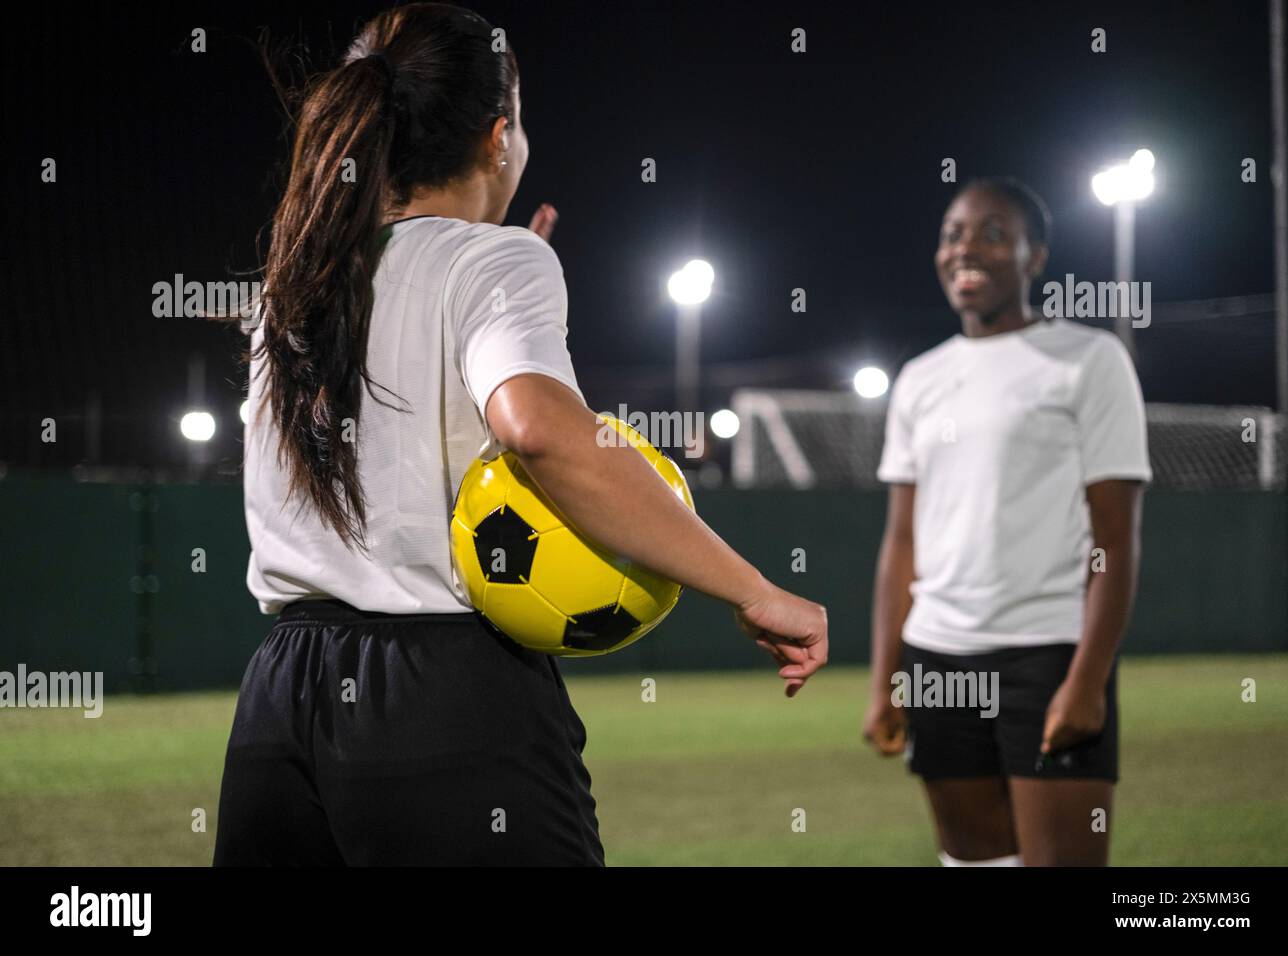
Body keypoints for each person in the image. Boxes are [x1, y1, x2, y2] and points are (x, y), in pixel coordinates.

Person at [213, 2, 827, 867]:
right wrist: (753, 587)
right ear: (498, 137)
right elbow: (538, 430)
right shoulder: (495, 262)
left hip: (282, 700)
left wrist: (482, 276)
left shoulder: (295, 281)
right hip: (443, 696)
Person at [863, 177, 1149, 866]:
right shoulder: (919, 378)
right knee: (973, 862)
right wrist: (886, 680)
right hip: (937, 657)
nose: (967, 248)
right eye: (953, 234)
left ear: (1035, 256)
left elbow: (1114, 539)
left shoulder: (1089, 359)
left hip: (1047, 654)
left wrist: (1086, 679)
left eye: (993, 233)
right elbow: (901, 543)